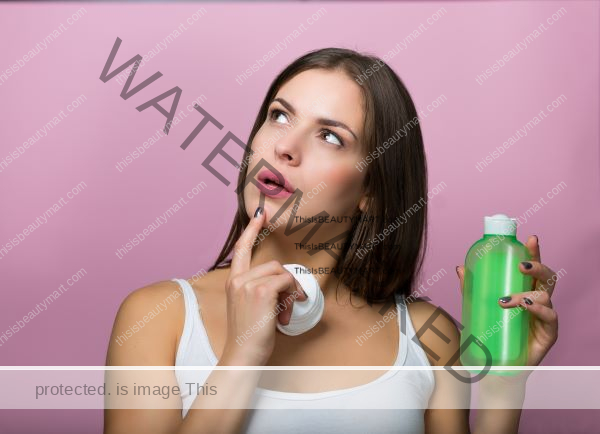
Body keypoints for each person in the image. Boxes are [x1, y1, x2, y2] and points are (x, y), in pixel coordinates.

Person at [104, 47, 559, 434]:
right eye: (279, 115)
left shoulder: (429, 340)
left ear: (371, 191)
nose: (285, 147)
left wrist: (505, 378)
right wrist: (243, 353)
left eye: (330, 136)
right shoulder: (157, 317)